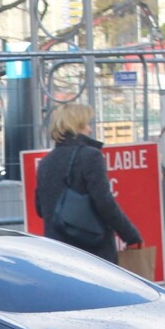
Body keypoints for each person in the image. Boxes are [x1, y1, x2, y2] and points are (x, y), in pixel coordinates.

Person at [34, 103, 143, 264]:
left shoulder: (45, 162)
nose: (90, 130)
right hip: (91, 249)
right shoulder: (90, 156)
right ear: (75, 126)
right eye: (86, 124)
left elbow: (40, 209)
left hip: (58, 251)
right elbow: (104, 202)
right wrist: (131, 235)